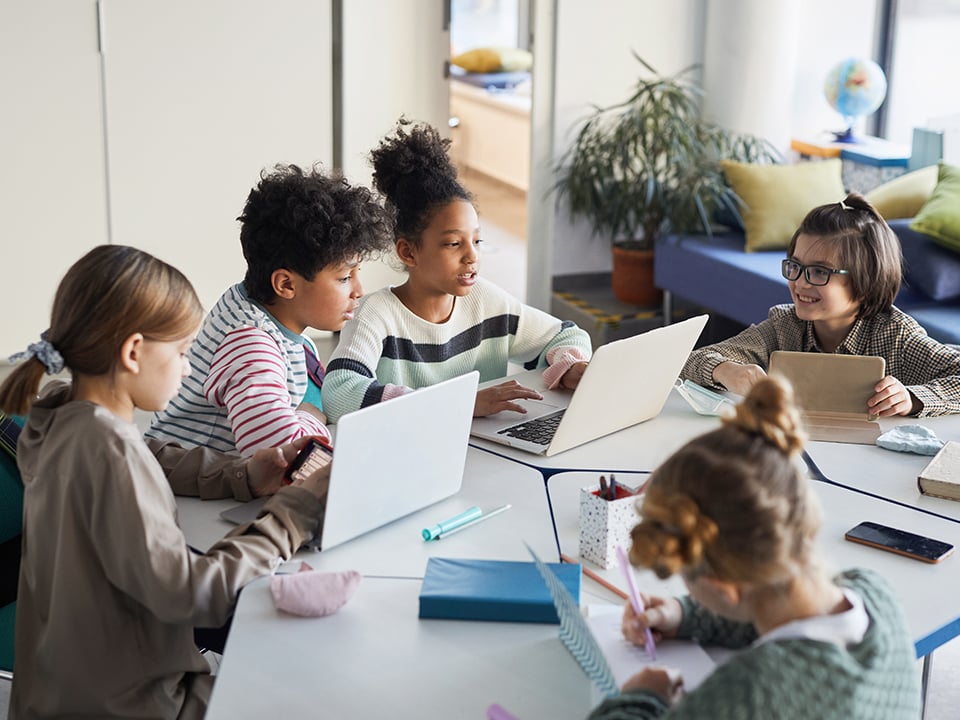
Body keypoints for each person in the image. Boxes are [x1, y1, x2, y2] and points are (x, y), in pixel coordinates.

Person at [0, 245, 331, 720]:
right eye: (180, 352)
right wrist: (293, 514)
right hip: (137, 705)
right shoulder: (108, 451)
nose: (188, 366)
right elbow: (194, 595)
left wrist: (241, 473)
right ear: (133, 352)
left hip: (61, 692)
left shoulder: (57, 414)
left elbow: (146, 451)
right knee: (315, 689)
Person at [588, 376, 922, 720]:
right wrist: (686, 614)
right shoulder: (873, 591)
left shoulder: (749, 691)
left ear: (722, 586)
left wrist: (643, 697)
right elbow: (779, 610)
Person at [321, 119, 593, 423]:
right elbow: (338, 395)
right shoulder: (375, 315)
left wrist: (568, 367)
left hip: (483, 452)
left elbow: (567, 335)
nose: (471, 256)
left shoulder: (487, 303)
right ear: (408, 251)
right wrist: (458, 404)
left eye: (477, 241)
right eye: (453, 243)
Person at [147, 163, 394, 458]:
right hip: (191, 490)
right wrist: (310, 418)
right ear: (285, 284)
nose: (358, 290)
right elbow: (281, 454)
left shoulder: (251, 303)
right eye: (344, 277)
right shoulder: (250, 344)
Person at [681, 192, 960, 417]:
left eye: (819, 272)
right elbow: (688, 361)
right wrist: (725, 370)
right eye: (795, 266)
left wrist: (912, 398)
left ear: (865, 284)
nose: (800, 283)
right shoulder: (785, 325)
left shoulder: (896, 336)